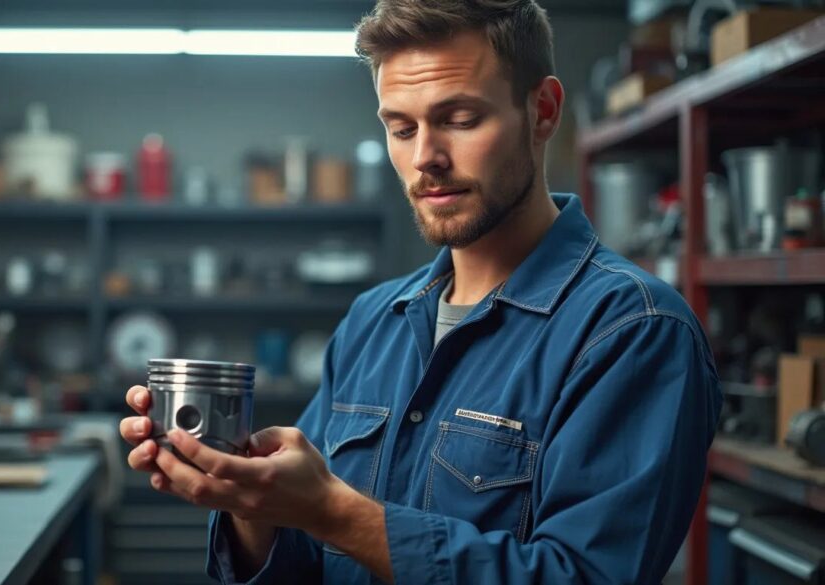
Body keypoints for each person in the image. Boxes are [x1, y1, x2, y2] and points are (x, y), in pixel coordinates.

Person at [119, 1, 722, 583]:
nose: (424, 158)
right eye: (401, 128)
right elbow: (304, 562)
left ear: (542, 111)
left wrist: (333, 511)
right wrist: (253, 500)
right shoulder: (371, 322)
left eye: (460, 120)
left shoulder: (632, 331)